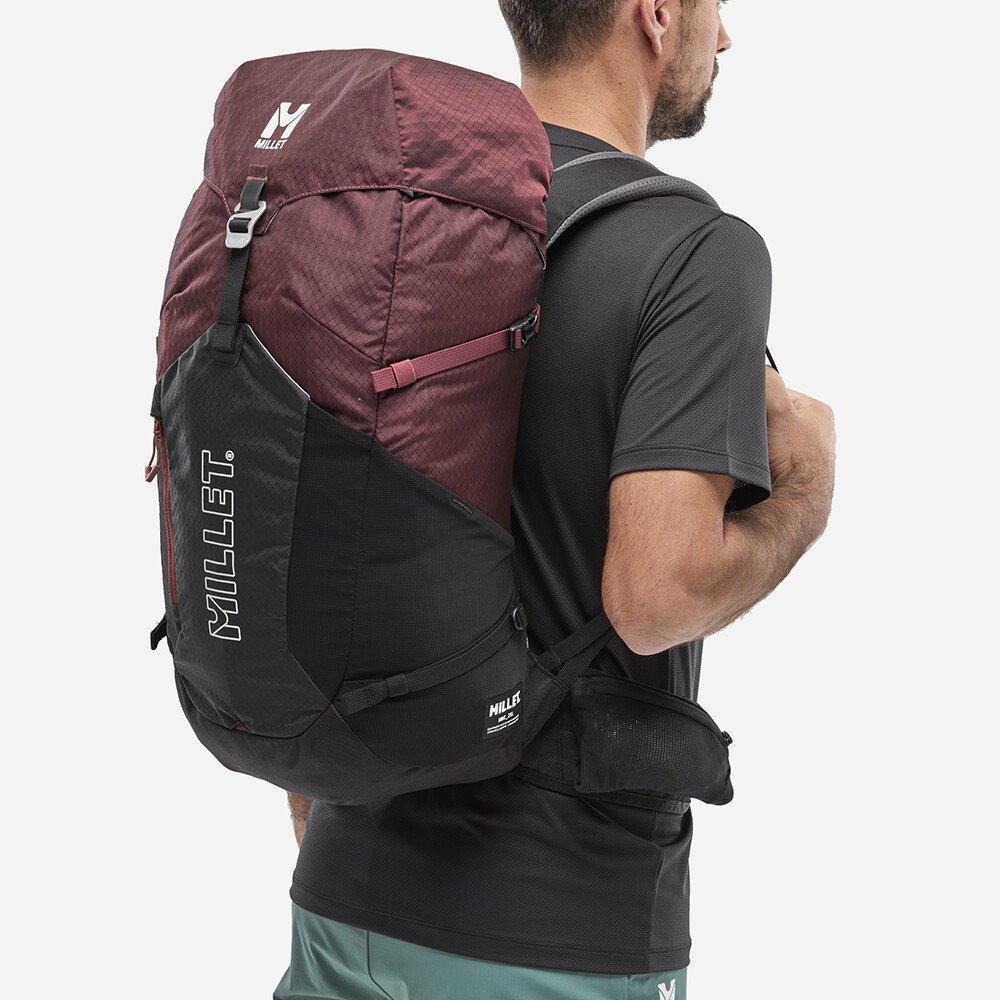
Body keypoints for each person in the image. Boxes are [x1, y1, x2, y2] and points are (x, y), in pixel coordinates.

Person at [275, 1, 836, 997]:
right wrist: (806, 486)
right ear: (654, 14)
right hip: (556, 933)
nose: (726, 36)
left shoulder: (395, 218)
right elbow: (654, 593)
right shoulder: (691, 250)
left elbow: (320, 531)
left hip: (340, 902)